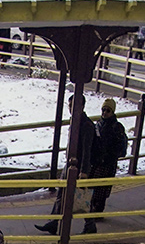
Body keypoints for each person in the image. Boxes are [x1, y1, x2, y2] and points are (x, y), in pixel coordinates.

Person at [36, 93, 96, 236]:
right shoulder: (75, 121)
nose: (70, 108)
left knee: (80, 197)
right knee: (61, 194)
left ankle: (90, 224)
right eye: (69, 105)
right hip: (69, 163)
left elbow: (87, 150)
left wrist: (84, 171)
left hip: (78, 166)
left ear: (81, 106)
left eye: (73, 105)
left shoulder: (86, 125)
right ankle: (54, 222)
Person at [87, 98, 129, 236]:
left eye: (108, 110)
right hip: (97, 162)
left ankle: (97, 211)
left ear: (113, 112)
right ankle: (92, 210)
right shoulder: (98, 124)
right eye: (103, 110)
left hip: (107, 163)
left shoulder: (117, 128)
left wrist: (109, 156)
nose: (105, 113)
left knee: (102, 189)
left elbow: (121, 148)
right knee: (93, 186)